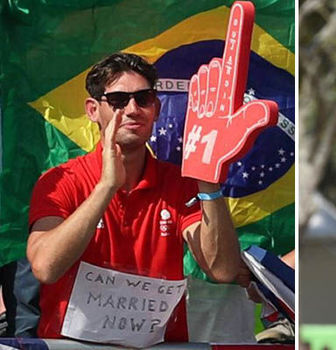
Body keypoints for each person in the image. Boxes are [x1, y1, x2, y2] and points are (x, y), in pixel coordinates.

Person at [26, 53, 241, 346]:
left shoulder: (180, 183)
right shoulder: (61, 180)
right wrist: (105, 188)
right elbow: (45, 267)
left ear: (156, 108)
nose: (132, 109)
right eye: (117, 100)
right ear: (92, 109)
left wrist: (208, 177)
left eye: (144, 98)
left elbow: (223, 270)